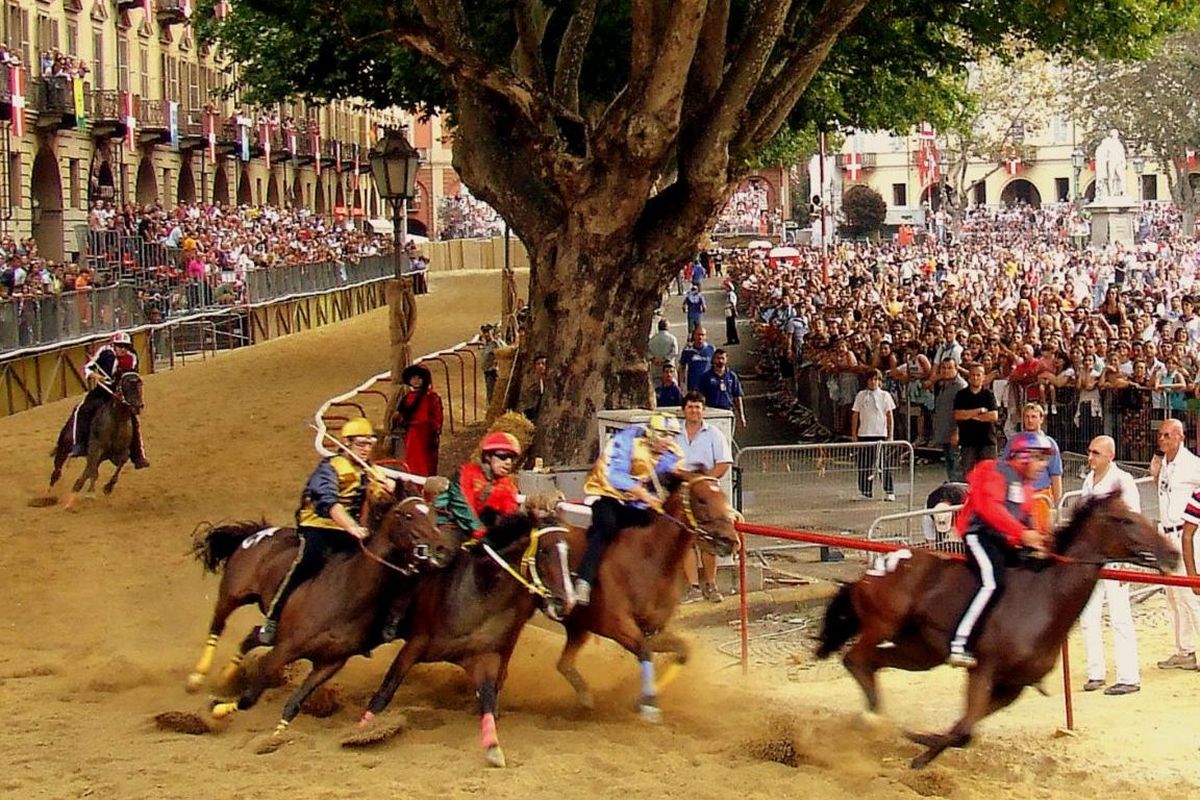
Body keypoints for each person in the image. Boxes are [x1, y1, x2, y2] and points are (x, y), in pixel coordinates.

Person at [259, 417, 396, 645]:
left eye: (369, 444)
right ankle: (274, 616)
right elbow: (328, 502)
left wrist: (388, 488)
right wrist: (352, 527)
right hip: (319, 524)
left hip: (351, 530)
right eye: (360, 444)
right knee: (308, 561)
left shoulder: (369, 470)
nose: (365, 449)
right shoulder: (329, 468)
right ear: (347, 444)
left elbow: (380, 500)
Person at [947, 431, 1053, 668]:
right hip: (979, 535)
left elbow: (1027, 519)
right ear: (1022, 456)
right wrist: (1023, 533)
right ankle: (960, 641)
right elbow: (990, 509)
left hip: (1004, 539)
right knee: (992, 582)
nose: (1042, 466)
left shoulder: (1025, 487)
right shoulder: (996, 471)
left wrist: (1040, 540)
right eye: (1038, 458)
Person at [574, 414, 685, 605]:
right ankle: (584, 580)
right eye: (664, 436)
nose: (668, 441)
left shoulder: (673, 453)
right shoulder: (626, 441)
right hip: (611, 498)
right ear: (652, 434)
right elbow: (615, 475)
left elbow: (674, 479)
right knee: (605, 528)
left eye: (672, 436)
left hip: (641, 507)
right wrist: (643, 493)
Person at [1078, 435, 1143, 695]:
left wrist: (1129, 559)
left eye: (1096, 453)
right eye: (1090, 451)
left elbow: (1132, 522)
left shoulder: (1123, 481)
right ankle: (1096, 671)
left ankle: (1129, 676)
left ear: (1109, 456)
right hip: (1093, 556)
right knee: (1088, 615)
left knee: (1119, 616)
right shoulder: (1087, 481)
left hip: (1115, 556)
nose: (1090, 457)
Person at [1152, 417, 1200, 670]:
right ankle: (1185, 650)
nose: (1162, 439)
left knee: (1191, 593)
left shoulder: (1192, 464)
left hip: (1188, 534)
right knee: (1173, 596)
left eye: (1167, 435)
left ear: (1180, 437)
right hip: (1166, 533)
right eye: (1161, 435)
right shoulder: (1164, 464)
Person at [675, 391, 733, 603]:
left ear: (703, 410)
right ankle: (693, 586)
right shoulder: (674, 435)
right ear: (684, 410)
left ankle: (711, 583)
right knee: (687, 540)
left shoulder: (714, 434)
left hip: (707, 495)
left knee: (709, 539)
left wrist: (704, 482)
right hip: (683, 493)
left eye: (698, 407)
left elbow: (724, 463)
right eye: (690, 407)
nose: (694, 411)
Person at [66, 331, 150, 468]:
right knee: (83, 409)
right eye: (120, 346)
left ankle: (138, 455)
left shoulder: (132, 357)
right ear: (114, 345)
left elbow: (133, 376)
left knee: (133, 419)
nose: (123, 349)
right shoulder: (104, 352)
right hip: (103, 391)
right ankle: (79, 444)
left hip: (122, 393)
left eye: (125, 346)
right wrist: (95, 376)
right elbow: (88, 367)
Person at [435, 431, 523, 544]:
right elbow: (460, 504)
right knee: (447, 547)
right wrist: (479, 530)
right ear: (487, 457)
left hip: (480, 533)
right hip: (450, 522)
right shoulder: (465, 473)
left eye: (511, 458)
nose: (508, 462)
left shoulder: (508, 487)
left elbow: (509, 515)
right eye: (503, 456)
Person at [1001, 402, 1064, 505]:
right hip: (1018, 495)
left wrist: (1058, 504)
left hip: (1042, 496)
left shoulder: (1049, 444)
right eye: (1027, 417)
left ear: (1041, 419)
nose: (1030, 420)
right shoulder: (1014, 442)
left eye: (1034, 417)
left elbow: (1056, 475)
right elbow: (1004, 469)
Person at [850, 369, 897, 501]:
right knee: (864, 464)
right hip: (864, 433)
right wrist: (854, 433)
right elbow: (855, 414)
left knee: (882, 463)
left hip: (879, 433)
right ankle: (865, 491)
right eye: (871, 379)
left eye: (876, 379)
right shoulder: (861, 395)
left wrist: (890, 434)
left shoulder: (885, 396)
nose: (873, 382)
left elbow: (889, 415)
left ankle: (889, 490)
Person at [390, 364, 444, 477]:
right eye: (413, 378)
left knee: (427, 464)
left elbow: (437, 416)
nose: (416, 381)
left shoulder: (431, 397)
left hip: (426, 436)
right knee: (413, 463)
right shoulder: (406, 397)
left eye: (419, 378)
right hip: (411, 436)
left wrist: (435, 430)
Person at [953, 363, 998, 475]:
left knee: (988, 475)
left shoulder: (988, 395)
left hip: (987, 441)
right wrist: (979, 411)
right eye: (973, 375)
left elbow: (993, 416)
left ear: (983, 377)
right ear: (969, 377)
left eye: (978, 375)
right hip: (968, 442)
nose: (975, 378)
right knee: (968, 475)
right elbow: (958, 415)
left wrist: (969, 415)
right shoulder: (961, 395)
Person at [932, 358, 966, 482]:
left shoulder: (960, 387)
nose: (946, 371)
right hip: (944, 433)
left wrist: (957, 431)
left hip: (955, 434)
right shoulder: (942, 386)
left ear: (956, 369)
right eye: (944, 368)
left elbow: (962, 411)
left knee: (956, 467)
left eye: (950, 368)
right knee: (949, 465)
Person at [696, 349, 747, 429]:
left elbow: (737, 396)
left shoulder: (732, 376)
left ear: (726, 359)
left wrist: (741, 415)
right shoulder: (705, 377)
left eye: (722, 358)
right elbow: (700, 396)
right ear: (713, 359)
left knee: (726, 439)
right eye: (718, 358)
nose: (720, 361)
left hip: (727, 411)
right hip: (711, 411)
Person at [679, 326, 715, 392]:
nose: (700, 337)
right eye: (698, 334)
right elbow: (682, 367)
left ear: (705, 336)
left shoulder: (711, 349)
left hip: (708, 385)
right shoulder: (688, 350)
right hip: (693, 386)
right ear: (694, 335)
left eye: (702, 335)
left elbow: (715, 366)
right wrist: (681, 383)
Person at [647, 318, 679, 389]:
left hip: (655, 369)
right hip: (669, 369)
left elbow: (647, 352)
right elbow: (675, 352)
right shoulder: (672, 339)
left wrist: (654, 359)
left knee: (656, 390)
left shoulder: (652, 340)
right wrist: (665, 360)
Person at [479, 324, 505, 402]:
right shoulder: (486, 344)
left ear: (492, 332)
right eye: (485, 332)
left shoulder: (495, 343)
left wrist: (496, 364)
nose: (486, 334)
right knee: (489, 394)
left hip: (493, 373)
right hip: (487, 372)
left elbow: (503, 351)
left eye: (488, 332)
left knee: (492, 395)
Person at [723, 281, 740, 345]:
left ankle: (732, 339)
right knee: (730, 325)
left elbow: (733, 303)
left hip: (730, 310)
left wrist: (735, 311)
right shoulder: (729, 294)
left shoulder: (730, 294)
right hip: (729, 310)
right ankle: (732, 339)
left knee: (731, 326)